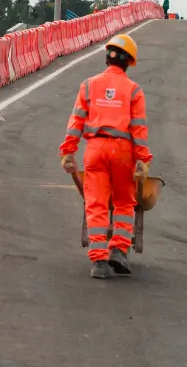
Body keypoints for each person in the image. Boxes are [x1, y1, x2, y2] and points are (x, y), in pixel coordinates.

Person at [59, 35, 153, 279]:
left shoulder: (88, 86)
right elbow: (139, 129)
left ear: (106, 57)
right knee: (123, 202)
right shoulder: (134, 90)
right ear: (129, 62)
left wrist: (68, 152)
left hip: (95, 149)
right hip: (122, 150)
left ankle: (99, 261)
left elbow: (76, 121)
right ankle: (119, 250)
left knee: (96, 203)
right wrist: (142, 158)